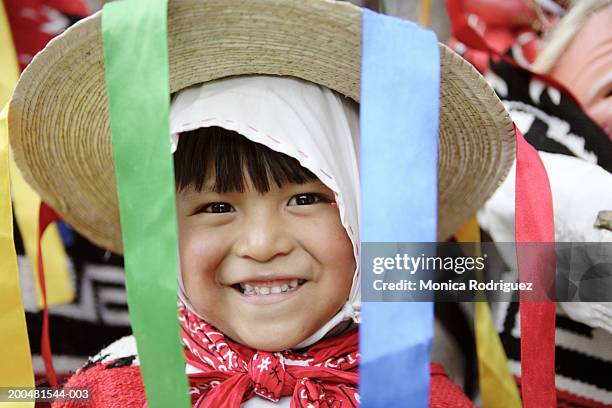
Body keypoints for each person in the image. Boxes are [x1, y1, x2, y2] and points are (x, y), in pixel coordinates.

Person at [7, 1, 516, 406]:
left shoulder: (421, 398)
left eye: (305, 198)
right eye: (216, 207)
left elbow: (581, 273)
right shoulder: (103, 394)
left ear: (367, 214)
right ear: (161, 230)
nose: (262, 244)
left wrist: (595, 258)